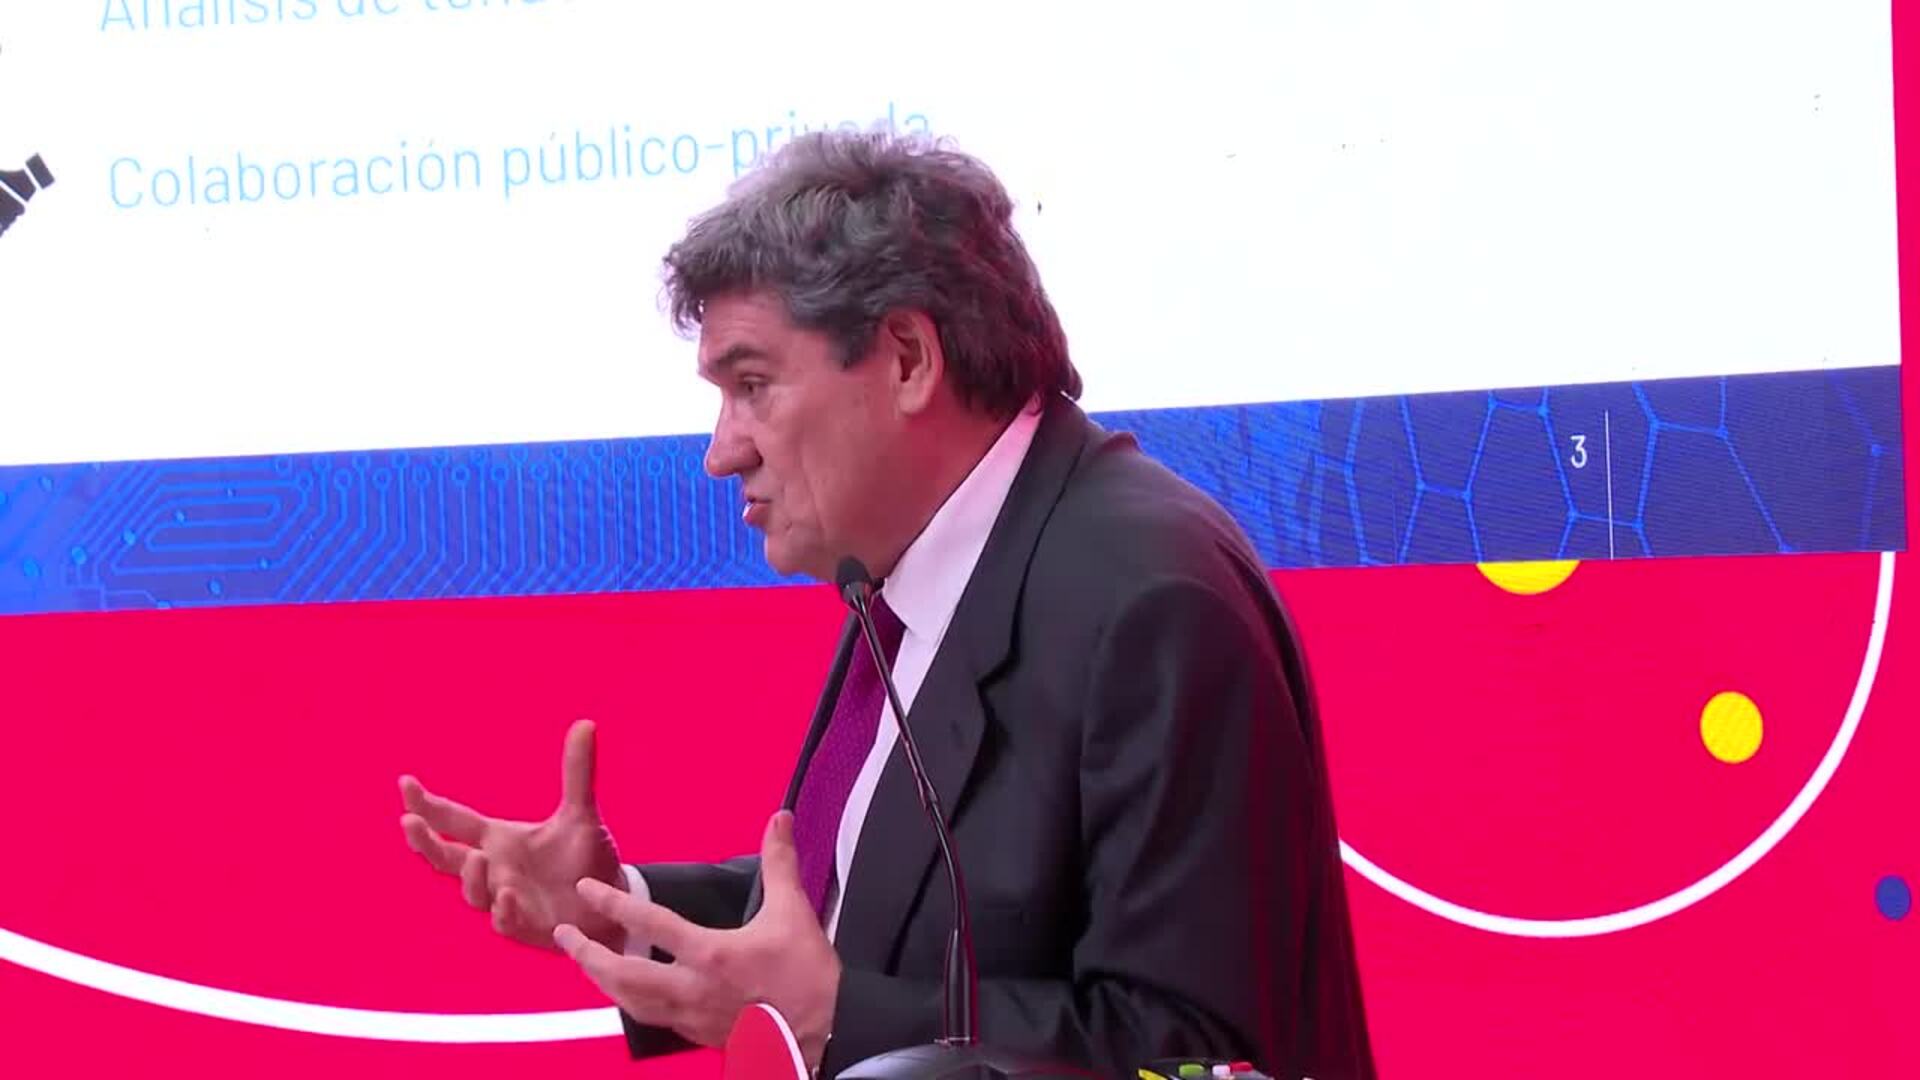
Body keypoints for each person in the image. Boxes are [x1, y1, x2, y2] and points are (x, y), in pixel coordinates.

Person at [398, 129, 1375, 1080]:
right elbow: (859, 904)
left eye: (752, 385)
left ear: (908, 358)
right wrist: (619, 906)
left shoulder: (1153, 598)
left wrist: (835, 1021)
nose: (722, 451)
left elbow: (1198, 1053)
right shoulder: (914, 561)